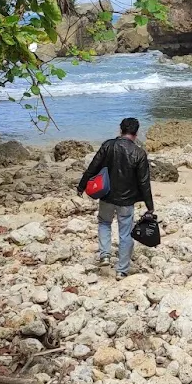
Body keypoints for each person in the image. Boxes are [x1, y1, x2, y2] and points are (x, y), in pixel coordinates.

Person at [77, 117, 154, 279]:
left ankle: (105, 255)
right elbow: (144, 182)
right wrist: (149, 205)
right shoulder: (139, 153)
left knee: (104, 223)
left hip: (106, 195)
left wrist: (81, 186)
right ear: (137, 132)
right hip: (126, 200)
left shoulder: (108, 145)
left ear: (120, 130)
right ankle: (122, 270)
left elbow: (93, 167)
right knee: (125, 233)